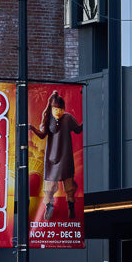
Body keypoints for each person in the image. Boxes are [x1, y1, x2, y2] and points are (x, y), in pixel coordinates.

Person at [30, 92, 82, 221]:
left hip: (65, 157)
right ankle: (49, 207)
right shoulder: (48, 119)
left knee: (69, 186)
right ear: (51, 108)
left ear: (63, 109)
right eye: (55, 109)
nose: (58, 111)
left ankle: (71, 207)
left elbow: (78, 130)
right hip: (51, 158)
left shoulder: (68, 118)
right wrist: (32, 128)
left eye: (60, 109)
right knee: (49, 188)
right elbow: (42, 135)